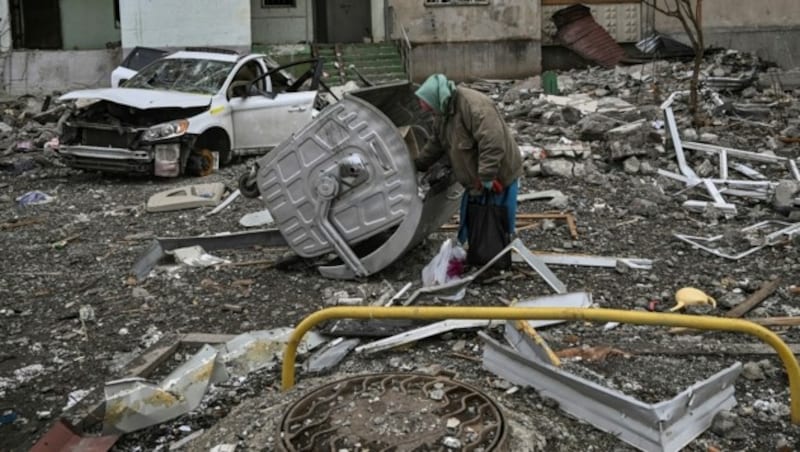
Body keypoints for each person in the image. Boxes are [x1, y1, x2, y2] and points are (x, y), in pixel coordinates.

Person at [413, 73, 523, 246]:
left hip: (499, 174)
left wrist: (487, 176)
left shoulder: (474, 106)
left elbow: (493, 142)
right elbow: (436, 143)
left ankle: (499, 252)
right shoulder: (443, 111)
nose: (431, 113)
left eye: (430, 109)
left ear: (436, 99)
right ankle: (479, 252)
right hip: (476, 179)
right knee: (475, 219)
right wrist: (418, 164)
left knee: (497, 218)